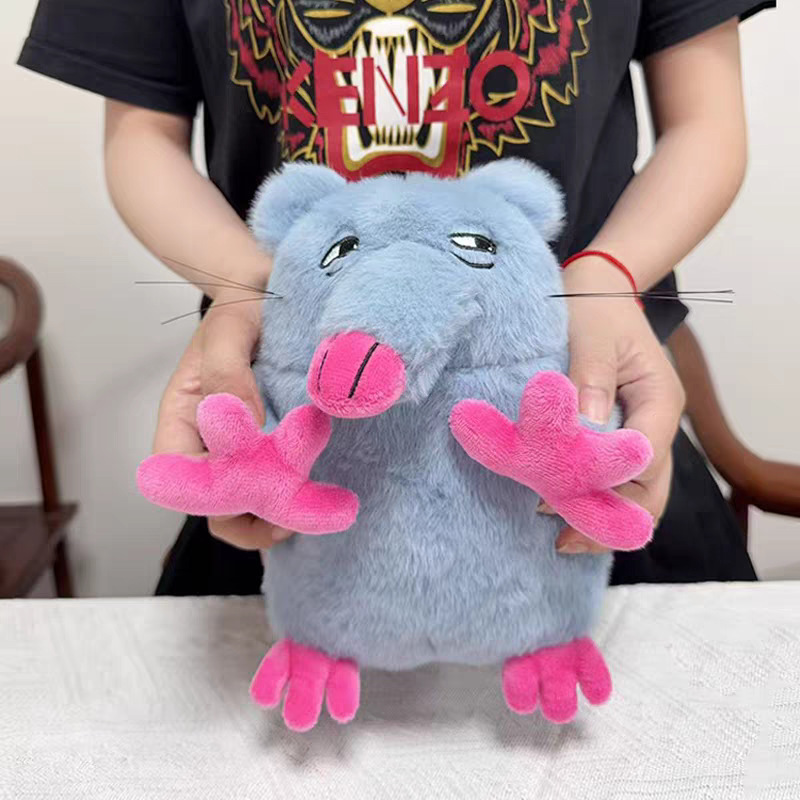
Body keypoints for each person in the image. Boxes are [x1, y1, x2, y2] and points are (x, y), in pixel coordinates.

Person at [19, 0, 771, 594]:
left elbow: (703, 122)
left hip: (580, 421)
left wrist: (609, 273)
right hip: (299, 440)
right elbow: (144, 134)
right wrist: (250, 288)